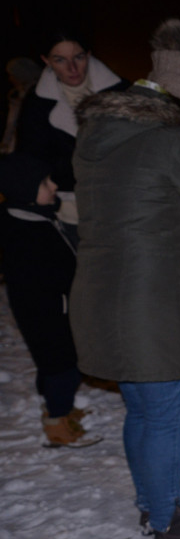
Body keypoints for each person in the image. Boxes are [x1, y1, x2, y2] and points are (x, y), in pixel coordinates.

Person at [70, 19, 180, 539]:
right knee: (166, 415)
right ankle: (168, 521)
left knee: (142, 411)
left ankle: (159, 502)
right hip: (154, 302)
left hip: (98, 292)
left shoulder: (97, 131)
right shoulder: (174, 138)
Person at [0, 153, 99, 447]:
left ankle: (59, 408)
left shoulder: (32, 215)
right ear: (25, 189)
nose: (53, 186)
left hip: (53, 309)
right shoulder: (27, 232)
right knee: (62, 367)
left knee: (53, 364)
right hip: (48, 314)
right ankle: (57, 423)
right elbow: (46, 277)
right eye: (45, 183)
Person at [16, 28, 126, 229]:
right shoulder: (36, 105)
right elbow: (31, 160)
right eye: (60, 60)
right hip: (69, 209)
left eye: (79, 57)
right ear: (46, 61)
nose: (72, 68)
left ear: (89, 55)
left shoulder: (123, 94)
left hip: (123, 204)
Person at [1, 57, 43, 154]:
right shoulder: (16, 94)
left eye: (13, 75)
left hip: (32, 147)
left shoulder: (38, 93)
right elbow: (11, 123)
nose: (11, 79)